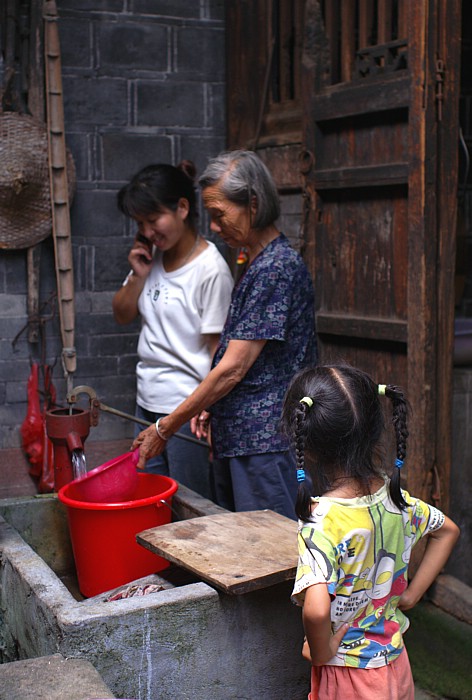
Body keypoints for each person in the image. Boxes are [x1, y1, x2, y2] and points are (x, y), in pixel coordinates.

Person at [132, 149, 317, 519]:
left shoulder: (275, 268)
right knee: (246, 546)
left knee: (270, 550)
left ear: (252, 203)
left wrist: (167, 425)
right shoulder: (257, 261)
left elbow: (234, 367)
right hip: (247, 439)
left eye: (219, 215)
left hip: (266, 441)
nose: (214, 227)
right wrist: (211, 407)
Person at [280, 364, 460, 700]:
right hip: (395, 664)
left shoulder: (321, 521)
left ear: (309, 444)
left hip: (349, 675)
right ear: (375, 429)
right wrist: (411, 596)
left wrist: (321, 652)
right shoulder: (399, 503)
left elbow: (317, 610)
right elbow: (447, 531)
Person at [112, 161, 233, 499]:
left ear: (182, 208)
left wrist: (210, 413)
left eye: (153, 220)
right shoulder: (151, 259)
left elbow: (217, 352)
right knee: (150, 502)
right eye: (141, 224)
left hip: (186, 412)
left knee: (189, 509)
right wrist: (138, 273)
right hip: (146, 404)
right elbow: (121, 314)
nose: (148, 231)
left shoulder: (210, 270)